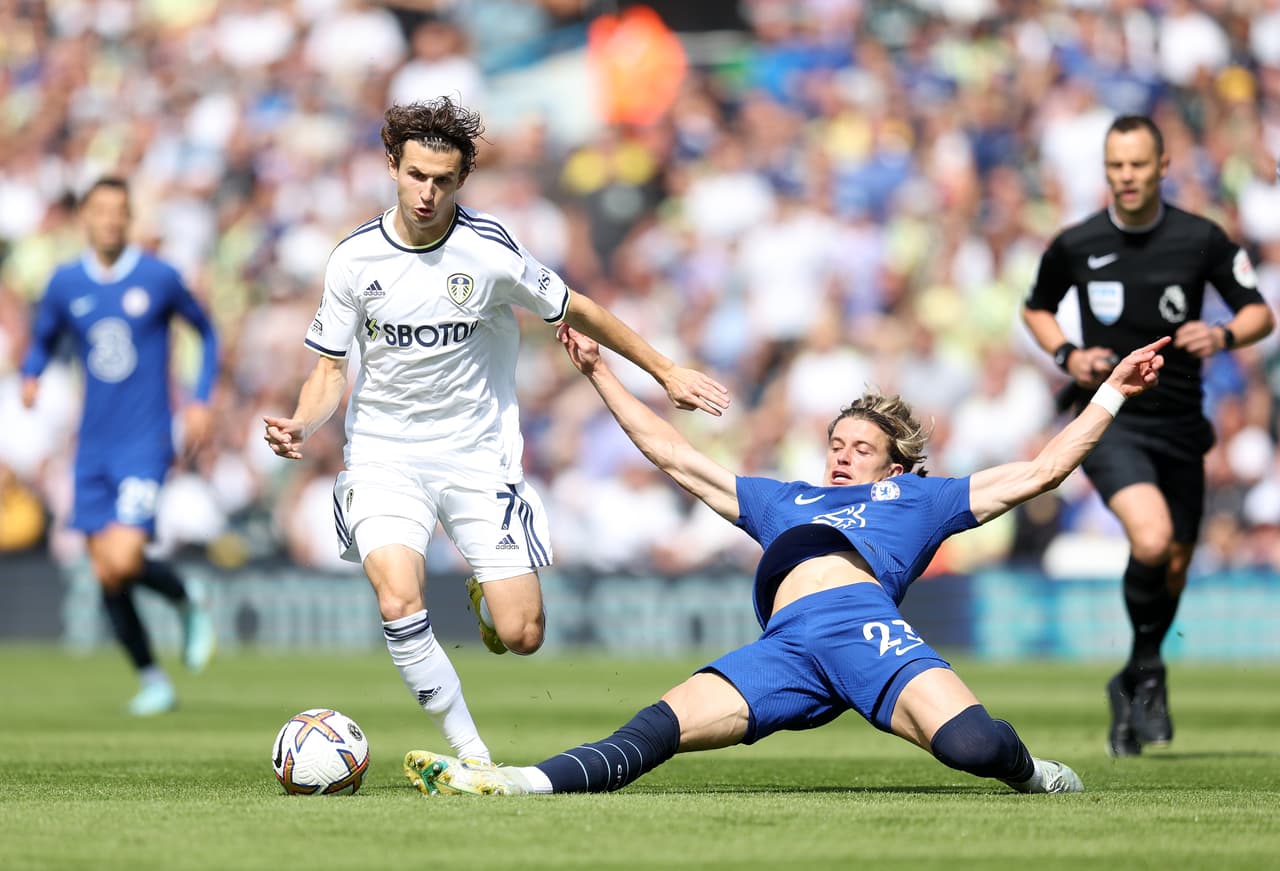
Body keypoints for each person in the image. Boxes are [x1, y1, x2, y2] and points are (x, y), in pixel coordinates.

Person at [399, 327, 1172, 797]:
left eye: (859, 448)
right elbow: (674, 455)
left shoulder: (919, 501)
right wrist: (601, 370)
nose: (841, 456)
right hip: (785, 650)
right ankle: (514, 781)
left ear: (894, 467)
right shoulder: (786, 500)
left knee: (974, 749)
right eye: (835, 443)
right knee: (659, 724)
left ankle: (1035, 772)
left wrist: (1108, 392)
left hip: (864, 629)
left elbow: (1037, 472)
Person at [263, 98, 729, 764]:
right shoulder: (354, 260)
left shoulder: (488, 250)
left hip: (477, 457)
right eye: (417, 174)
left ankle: (490, 597)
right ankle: (474, 757)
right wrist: (303, 423)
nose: (428, 192)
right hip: (384, 455)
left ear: (461, 180)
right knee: (399, 596)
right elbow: (330, 370)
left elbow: (578, 307)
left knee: (524, 632)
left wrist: (664, 368)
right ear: (392, 166)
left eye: (443, 180)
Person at [1022, 114, 1275, 757]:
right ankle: (1148, 673)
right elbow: (1036, 307)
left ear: (1163, 167)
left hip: (1182, 424)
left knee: (1176, 564)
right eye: (1115, 166)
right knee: (1153, 537)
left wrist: (1220, 334)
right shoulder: (1077, 243)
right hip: (1109, 419)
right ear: (1105, 169)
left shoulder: (1200, 238)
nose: (1126, 176)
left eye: (1137, 164)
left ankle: (1137, 672)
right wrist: (1067, 356)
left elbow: (1258, 312)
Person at [20, 176, 219, 716]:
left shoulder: (157, 277)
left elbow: (207, 331)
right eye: (100, 211)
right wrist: (31, 374)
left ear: (129, 219)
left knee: (126, 554)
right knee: (106, 569)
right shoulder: (65, 283)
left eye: (119, 211)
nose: (110, 220)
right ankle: (153, 678)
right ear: (84, 218)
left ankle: (185, 597)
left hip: (144, 441)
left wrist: (199, 399)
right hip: (92, 448)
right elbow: (42, 338)